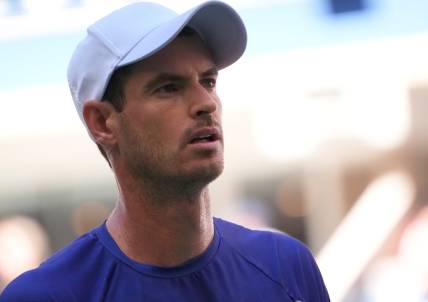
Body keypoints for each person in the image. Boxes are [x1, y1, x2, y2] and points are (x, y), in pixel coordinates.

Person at [0, 1, 330, 301]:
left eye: (209, 81)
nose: (206, 103)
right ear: (102, 121)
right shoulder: (47, 295)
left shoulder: (285, 266)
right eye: (168, 88)